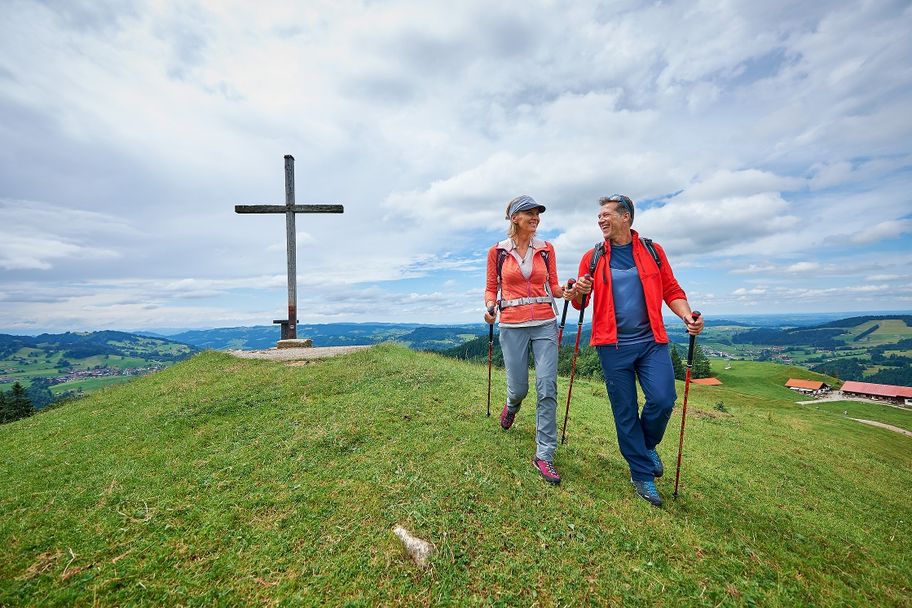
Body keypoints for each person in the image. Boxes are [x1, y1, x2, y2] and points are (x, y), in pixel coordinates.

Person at [570, 194, 703, 506]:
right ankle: (641, 473)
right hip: (612, 346)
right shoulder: (593, 256)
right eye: (599, 216)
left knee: (663, 398)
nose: (601, 220)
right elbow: (579, 303)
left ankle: (646, 446)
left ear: (626, 217)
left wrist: (686, 316)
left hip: (651, 342)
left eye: (607, 215)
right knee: (625, 410)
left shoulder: (652, 251)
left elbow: (671, 289)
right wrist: (577, 292)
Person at [484, 195, 573, 485]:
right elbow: (490, 289)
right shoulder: (497, 252)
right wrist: (489, 308)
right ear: (514, 219)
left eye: (538, 213)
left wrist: (568, 290)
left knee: (547, 386)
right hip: (511, 325)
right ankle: (511, 406)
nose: (535, 217)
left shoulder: (547, 250)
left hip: (545, 323)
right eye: (529, 212)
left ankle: (544, 454)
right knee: (519, 388)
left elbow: (555, 286)